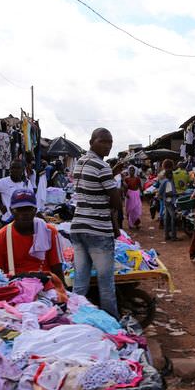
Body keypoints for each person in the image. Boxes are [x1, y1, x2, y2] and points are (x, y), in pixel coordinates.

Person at [71, 128, 122, 318]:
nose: (108, 146)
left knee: (80, 284)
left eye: (110, 142)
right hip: (98, 230)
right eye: (103, 141)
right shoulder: (102, 167)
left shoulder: (80, 163)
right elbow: (116, 202)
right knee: (106, 284)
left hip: (78, 226)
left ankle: (76, 320)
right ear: (92, 142)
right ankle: (113, 325)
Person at [0, 189, 65, 284]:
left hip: (46, 285)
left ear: (35, 210)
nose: (25, 214)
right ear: (11, 210)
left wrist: (63, 292)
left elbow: (57, 268)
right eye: (19, 210)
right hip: (15, 287)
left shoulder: (49, 232)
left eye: (29, 209)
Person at [0, 159, 33, 224]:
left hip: (24, 219)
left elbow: (32, 201)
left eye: (18, 168)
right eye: (13, 168)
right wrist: (0, 206)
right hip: (9, 220)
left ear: (23, 170)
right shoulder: (3, 182)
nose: (15, 170)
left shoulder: (27, 182)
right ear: (10, 169)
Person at [158, 169, 178, 241]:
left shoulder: (169, 181)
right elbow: (161, 193)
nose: (171, 175)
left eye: (171, 174)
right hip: (169, 201)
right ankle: (173, 236)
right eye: (169, 174)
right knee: (173, 217)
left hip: (169, 201)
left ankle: (167, 235)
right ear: (166, 175)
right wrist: (172, 195)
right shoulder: (166, 182)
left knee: (167, 218)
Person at [122, 166, 143, 230]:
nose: (132, 171)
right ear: (128, 171)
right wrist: (125, 194)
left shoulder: (137, 178)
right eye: (131, 170)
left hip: (136, 194)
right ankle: (130, 224)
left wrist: (142, 193)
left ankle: (136, 224)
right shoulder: (126, 179)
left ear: (135, 171)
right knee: (129, 210)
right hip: (129, 195)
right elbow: (124, 187)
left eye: (133, 170)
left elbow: (140, 186)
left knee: (136, 210)